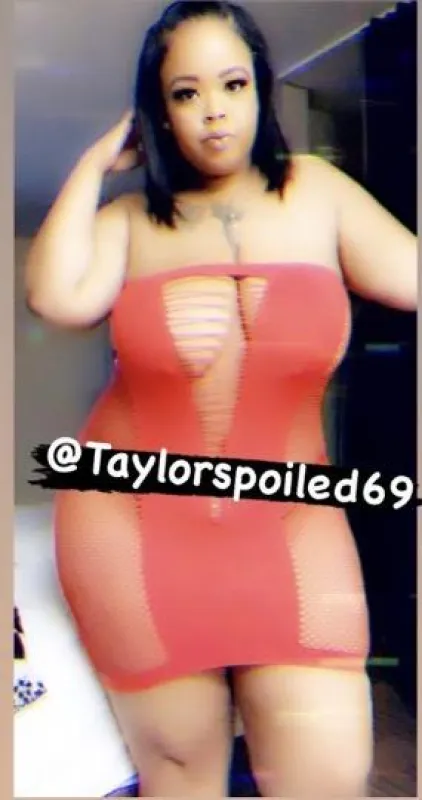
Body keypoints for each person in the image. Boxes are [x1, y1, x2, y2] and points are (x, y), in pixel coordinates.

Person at [25, 1, 417, 797]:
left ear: (260, 89)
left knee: (329, 776)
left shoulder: (320, 193)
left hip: (293, 526)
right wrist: (96, 164)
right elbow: (56, 297)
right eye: (186, 92)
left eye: (233, 84)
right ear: (158, 111)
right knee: (183, 780)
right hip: (134, 532)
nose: (213, 111)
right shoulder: (130, 220)